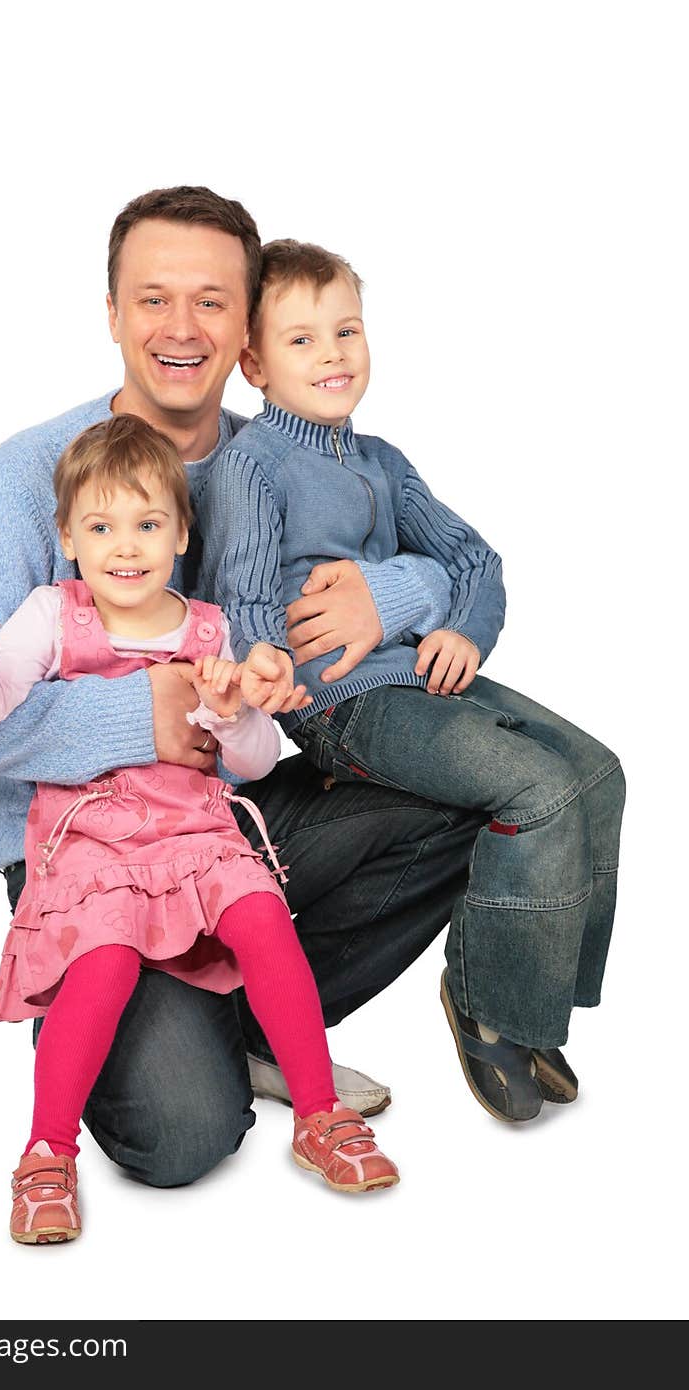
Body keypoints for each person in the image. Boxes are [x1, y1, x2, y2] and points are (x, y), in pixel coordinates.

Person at [0, 187, 548, 1191]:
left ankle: (239, 1017)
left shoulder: (275, 461)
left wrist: (397, 587)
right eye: (151, 298)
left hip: (217, 825)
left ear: (248, 331)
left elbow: (433, 559)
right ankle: (150, 1031)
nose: (178, 327)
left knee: (465, 784)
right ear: (110, 312)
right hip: (83, 852)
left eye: (211, 301)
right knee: (185, 1133)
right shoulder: (34, 478)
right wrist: (139, 714)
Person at [0, 415, 400, 1240]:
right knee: (103, 962)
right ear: (69, 538)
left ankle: (318, 1113)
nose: (126, 547)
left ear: (182, 532)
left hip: (196, 839)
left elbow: (251, 764)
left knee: (261, 916)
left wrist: (229, 713)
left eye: (147, 525)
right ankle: (47, 1151)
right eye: (102, 527)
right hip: (92, 844)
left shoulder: (211, 629)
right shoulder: (52, 614)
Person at [194, 238, 627, 1121]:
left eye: (346, 331)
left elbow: (475, 560)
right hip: (344, 704)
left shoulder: (383, 462)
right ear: (255, 364)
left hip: (419, 681)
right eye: (303, 339)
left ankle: (538, 1004)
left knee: (597, 770)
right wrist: (266, 657)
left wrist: (464, 628)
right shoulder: (254, 464)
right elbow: (238, 600)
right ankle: (489, 1006)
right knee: (537, 789)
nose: (333, 355)